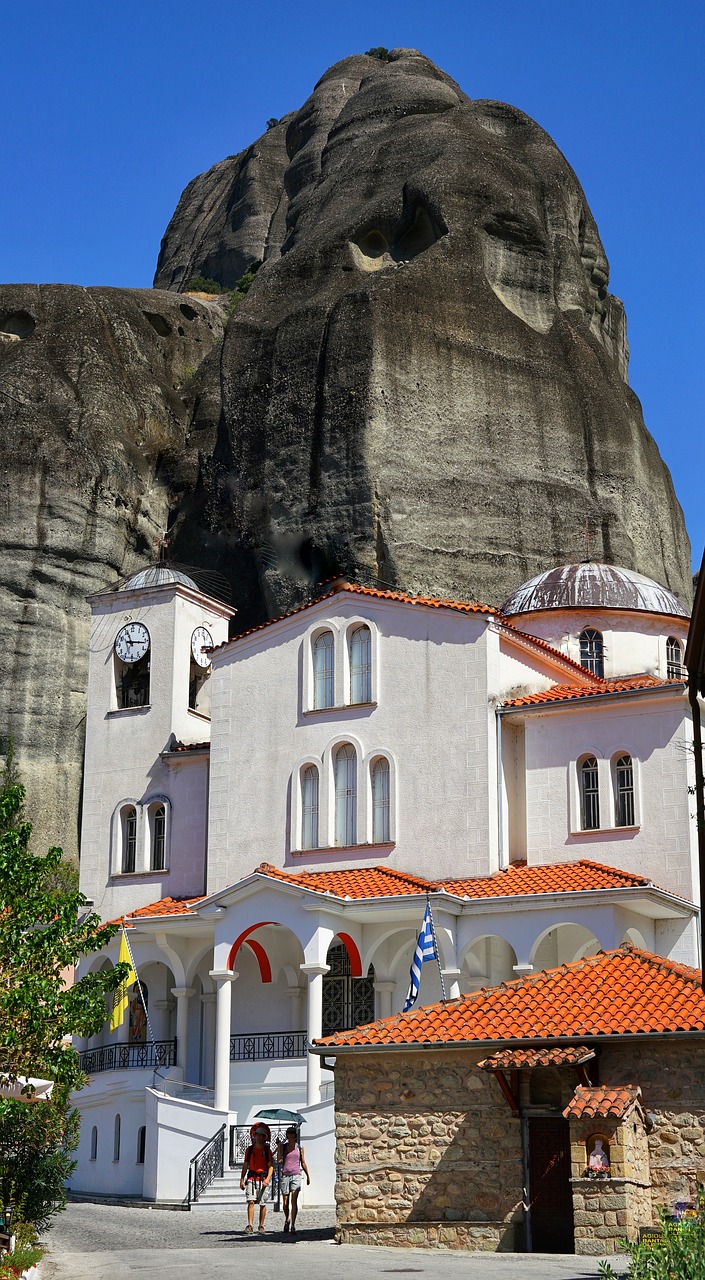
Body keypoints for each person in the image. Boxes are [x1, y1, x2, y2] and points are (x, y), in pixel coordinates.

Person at [240, 1123, 274, 1234]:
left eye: (261, 1135)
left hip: (263, 1178)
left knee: (262, 1203)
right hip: (251, 1178)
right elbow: (245, 1164)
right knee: (250, 1201)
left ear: (264, 1137)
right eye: (257, 1135)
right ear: (254, 1136)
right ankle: (250, 1225)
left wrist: (268, 1179)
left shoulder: (267, 1151)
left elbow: (271, 1166)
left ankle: (261, 1225)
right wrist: (241, 1179)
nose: (259, 1137)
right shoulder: (249, 1150)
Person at [276, 1125, 310, 1234]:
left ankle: (293, 1225)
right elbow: (279, 1159)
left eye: (292, 1133)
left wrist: (308, 1175)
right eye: (289, 1133)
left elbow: (303, 1162)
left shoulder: (300, 1147)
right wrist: (279, 1147)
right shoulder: (284, 1146)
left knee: (293, 1200)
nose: (290, 1135)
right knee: (285, 1203)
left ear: (295, 1135)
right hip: (285, 1175)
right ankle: (287, 1219)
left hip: (296, 1175)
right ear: (287, 1135)